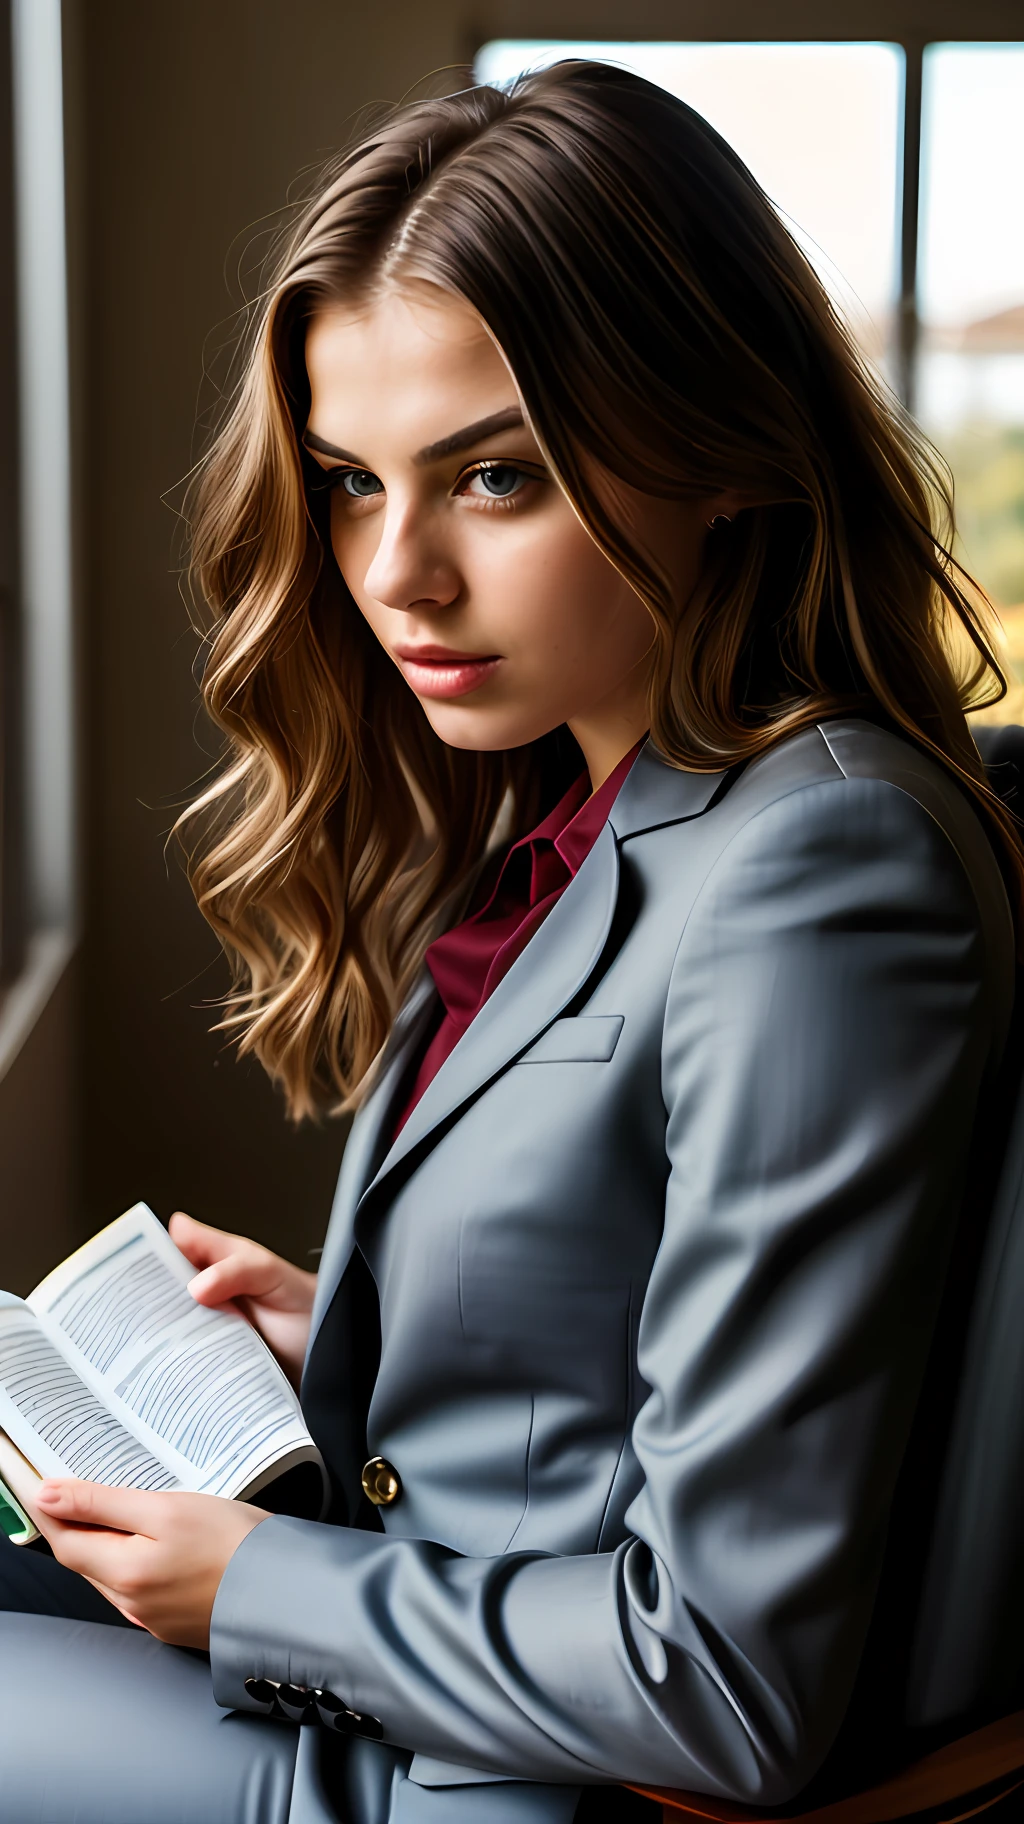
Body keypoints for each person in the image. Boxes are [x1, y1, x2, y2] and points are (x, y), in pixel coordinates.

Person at [0, 60, 1020, 1824]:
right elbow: (647, 1327)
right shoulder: (591, 811)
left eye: (495, 477)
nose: (395, 574)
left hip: (496, 1778)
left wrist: (248, 1583)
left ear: (721, 453)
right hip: (437, 1650)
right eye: (344, 481)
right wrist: (352, 1335)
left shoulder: (822, 865)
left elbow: (723, 1678)